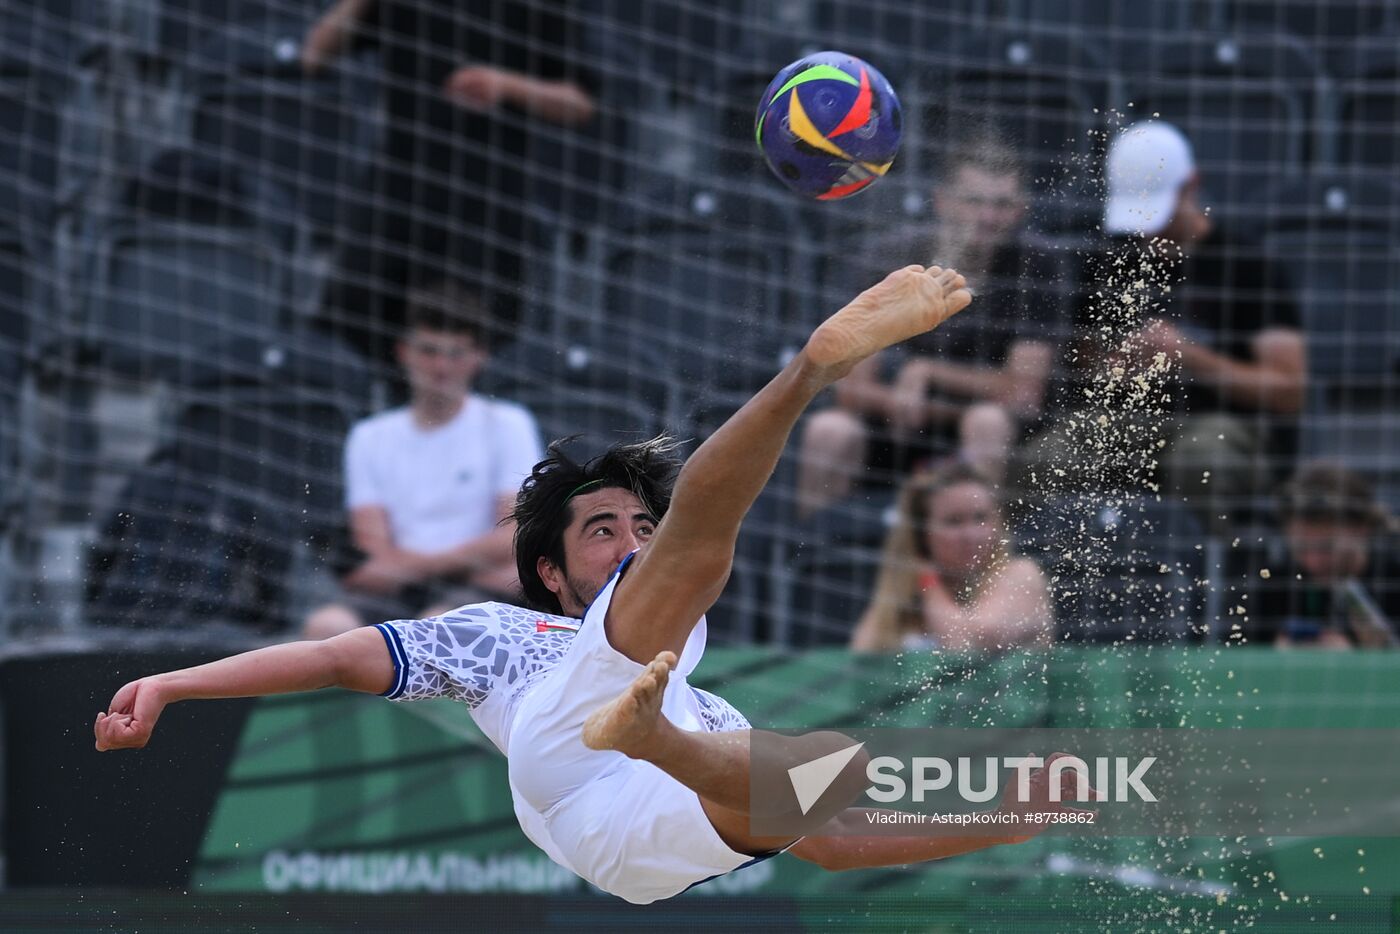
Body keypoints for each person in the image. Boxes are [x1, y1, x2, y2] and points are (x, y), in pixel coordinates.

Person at [96, 265, 1093, 904]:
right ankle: (805, 375)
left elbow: (832, 849)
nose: (623, 539)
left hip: (642, 825)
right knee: (737, 663)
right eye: (599, 528)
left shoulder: (702, 691)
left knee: (817, 780)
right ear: (547, 568)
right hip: (563, 763)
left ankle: (653, 729)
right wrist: (175, 684)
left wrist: (1016, 817)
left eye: (637, 524)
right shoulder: (495, 634)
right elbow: (330, 655)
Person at [1016, 121, 1307, 531]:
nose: (1148, 231)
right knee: (1044, 460)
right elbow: (1079, 359)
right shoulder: (1109, 258)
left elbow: (1288, 391)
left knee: (1202, 461)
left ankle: (1214, 585)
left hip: (1225, 426)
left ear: (1192, 187)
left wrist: (1187, 356)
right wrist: (1117, 364)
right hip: (1123, 419)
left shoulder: (1250, 266)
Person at [303, 0, 598, 361]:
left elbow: (579, 104)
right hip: (397, 186)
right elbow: (315, 56)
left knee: (468, 344)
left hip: (488, 200)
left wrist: (504, 86)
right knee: (349, 326)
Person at [796, 135, 1068, 518]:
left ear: (1021, 209)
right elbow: (850, 389)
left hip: (978, 433)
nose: (988, 217)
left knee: (987, 422)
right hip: (891, 425)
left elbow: (1024, 394)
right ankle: (808, 560)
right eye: (975, 201)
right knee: (830, 430)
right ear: (943, 201)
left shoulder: (1038, 266)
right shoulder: (889, 260)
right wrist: (904, 404)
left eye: (1002, 204)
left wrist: (927, 374)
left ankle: (981, 560)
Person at [302, 281, 543, 639]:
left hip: (475, 591)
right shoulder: (369, 436)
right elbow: (373, 547)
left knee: (438, 626)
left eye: (456, 353)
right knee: (327, 627)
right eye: (429, 351)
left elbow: (511, 536)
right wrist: (442, 567)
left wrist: (414, 566)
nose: (441, 367)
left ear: (479, 358)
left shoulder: (508, 424)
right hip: (409, 589)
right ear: (404, 352)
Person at [850, 463, 1053, 652]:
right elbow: (860, 659)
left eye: (981, 518)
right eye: (953, 522)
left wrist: (927, 583)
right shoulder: (901, 594)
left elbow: (968, 645)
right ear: (922, 535)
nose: (971, 536)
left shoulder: (1021, 575)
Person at [1243, 461, 1400, 648]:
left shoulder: (1392, 582)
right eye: (1301, 549)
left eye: (1326, 548)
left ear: (1362, 528)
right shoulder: (1272, 586)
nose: (1313, 562)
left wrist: (1362, 656)